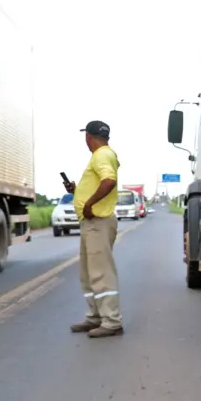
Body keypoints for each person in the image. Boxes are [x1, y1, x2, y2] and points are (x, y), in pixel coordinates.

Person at [63, 120, 124, 338]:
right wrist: (77, 191)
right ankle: (96, 317)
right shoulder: (103, 155)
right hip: (92, 224)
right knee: (88, 274)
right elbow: (102, 182)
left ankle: (111, 321)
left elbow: (109, 181)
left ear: (88, 137)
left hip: (98, 222)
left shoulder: (101, 155)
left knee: (101, 273)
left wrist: (88, 204)